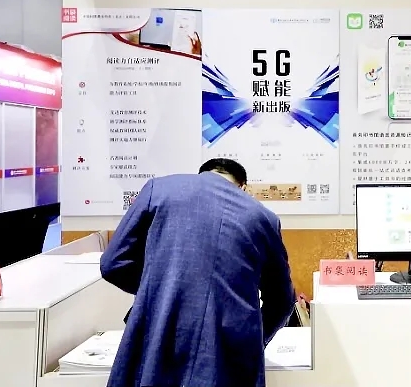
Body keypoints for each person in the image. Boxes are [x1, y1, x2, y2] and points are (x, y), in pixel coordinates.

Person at [100, 158, 295, 387]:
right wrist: (256, 340)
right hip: (228, 352)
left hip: (159, 336)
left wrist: (160, 290)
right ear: (243, 187)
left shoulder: (159, 190)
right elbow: (283, 300)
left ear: (201, 174)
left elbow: (113, 263)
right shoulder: (264, 217)